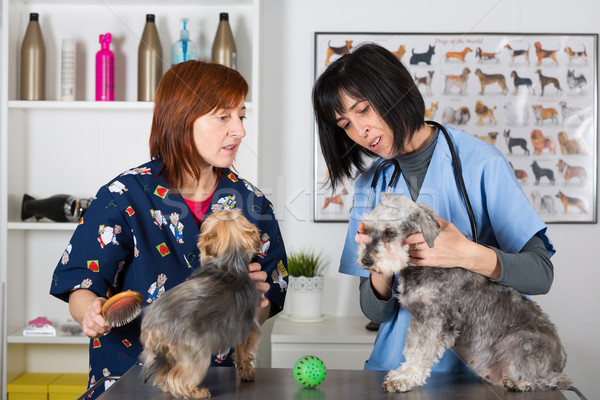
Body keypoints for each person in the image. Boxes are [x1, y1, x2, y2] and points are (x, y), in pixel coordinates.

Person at [312, 43, 555, 374]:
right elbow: (374, 312)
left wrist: (466, 254)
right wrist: (379, 267)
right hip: (397, 367)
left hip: (479, 372)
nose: (359, 131)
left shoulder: (482, 163)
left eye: (364, 109)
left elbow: (541, 274)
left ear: (394, 91)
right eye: (345, 125)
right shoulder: (370, 185)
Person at [50, 60, 288, 398]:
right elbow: (80, 284)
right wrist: (89, 311)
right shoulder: (122, 196)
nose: (240, 131)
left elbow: (268, 301)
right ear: (182, 118)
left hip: (214, 385)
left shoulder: (253, 203)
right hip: (130, 381)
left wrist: (252, 302)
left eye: (241, 116)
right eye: (224, 117)